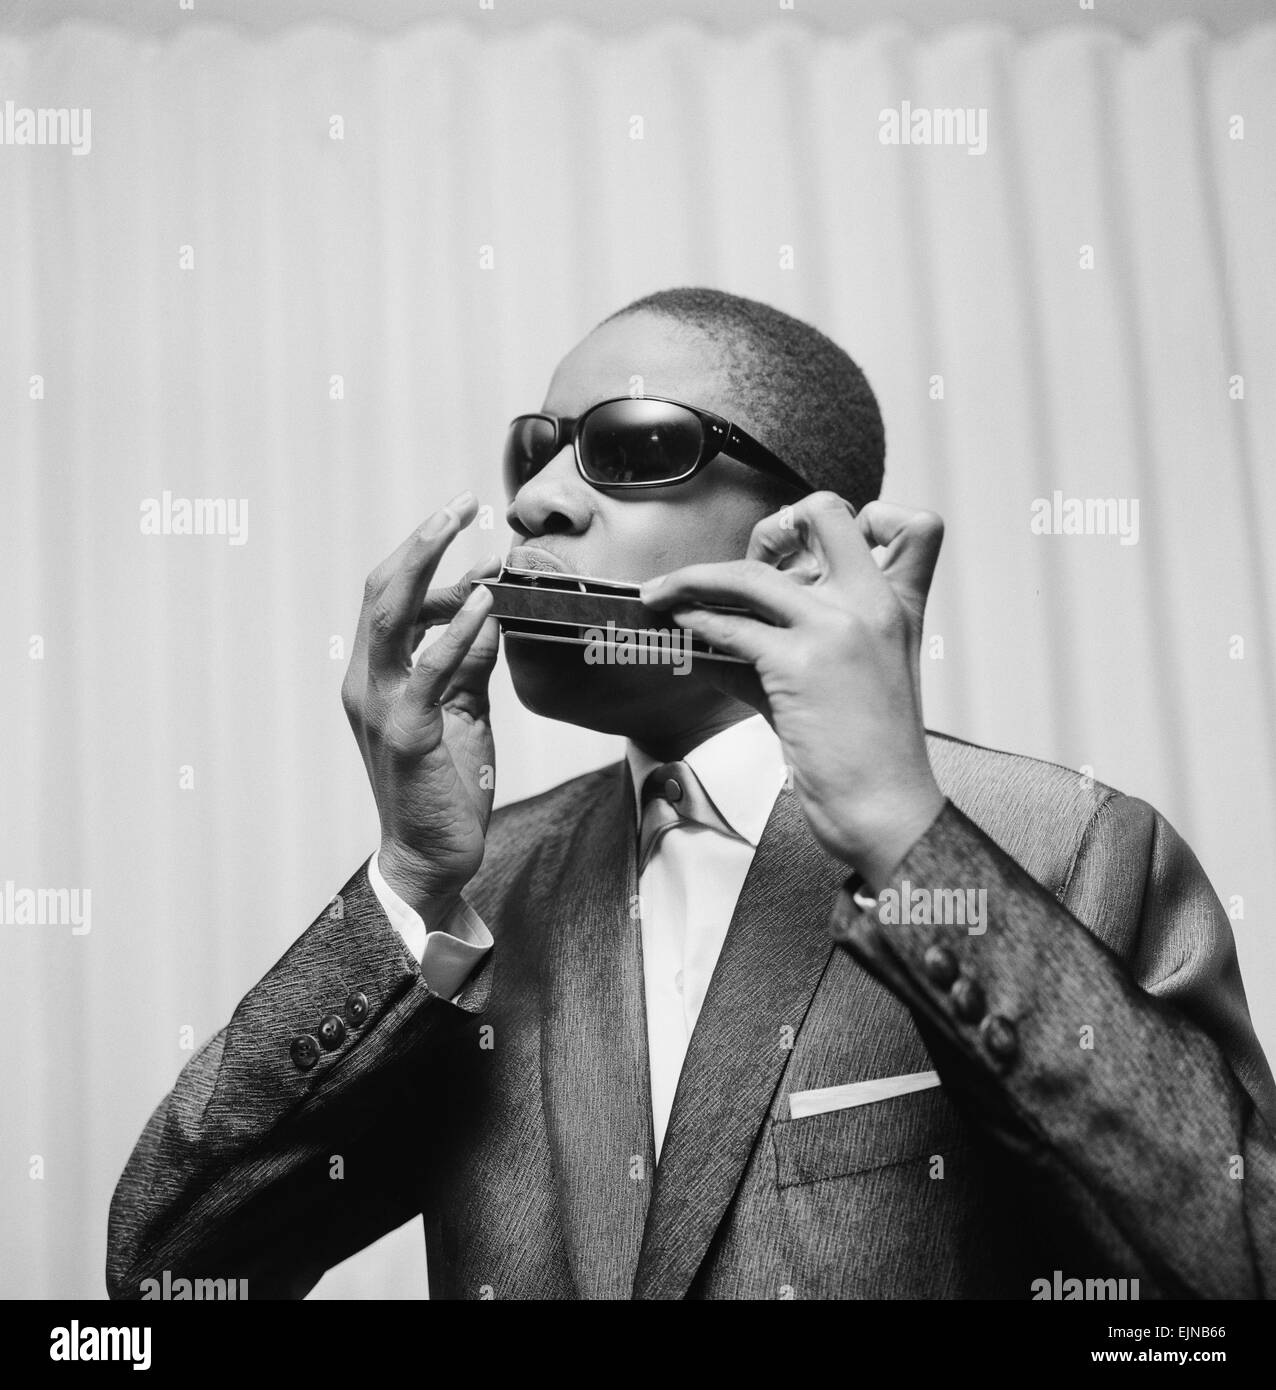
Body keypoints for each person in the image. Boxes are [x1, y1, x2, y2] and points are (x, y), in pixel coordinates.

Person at [107, 288, 1276, 1300]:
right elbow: (167, 1270)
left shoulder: (1063, 845)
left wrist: (906, 842)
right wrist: (412, 879)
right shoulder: (480, 902)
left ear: (800, 541)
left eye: (630, 446)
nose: (535, 505)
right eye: (536, 453)